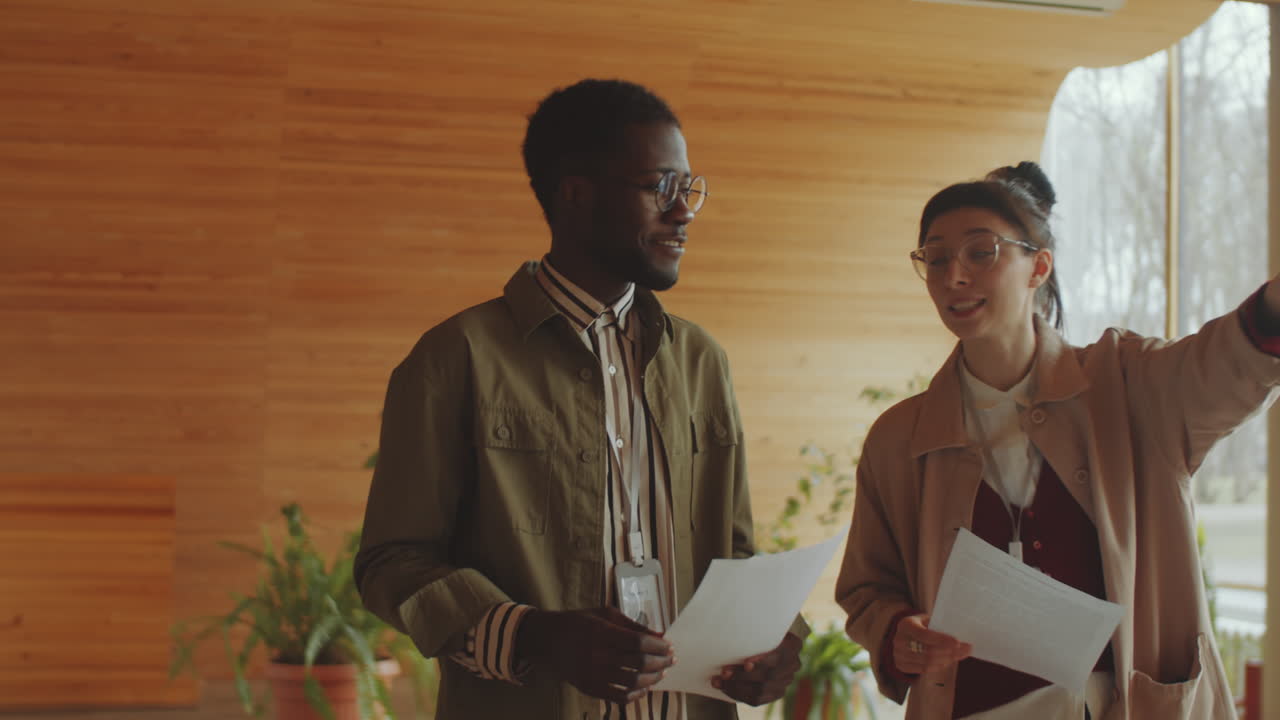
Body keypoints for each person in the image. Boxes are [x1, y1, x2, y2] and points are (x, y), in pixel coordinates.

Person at [355, 78, 803, 720]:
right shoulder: (457, 357)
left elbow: (732, 556)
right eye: (659, 188)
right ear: (575, 193)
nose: (684, 212)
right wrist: (532, 634)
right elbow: (391, 563)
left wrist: (771, 643)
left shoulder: (702, 361)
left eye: (688, 189)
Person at [835, 161, 1280, 719]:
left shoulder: (1129, 384)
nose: (954, 276)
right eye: (937, 258)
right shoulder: (898, 439)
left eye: (981, 252)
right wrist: (897, 631)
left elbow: (1226, 364)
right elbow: (868, 590)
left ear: (1038, 267)